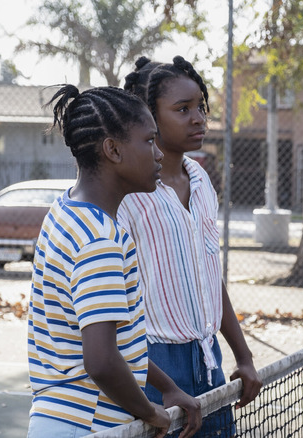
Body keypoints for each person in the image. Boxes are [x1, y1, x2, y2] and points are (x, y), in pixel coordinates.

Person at [27, 84, 202, 437]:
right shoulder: (101, 240)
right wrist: (150, 411)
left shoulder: (66, 211)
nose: (157, 154)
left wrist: (166, 385)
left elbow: (118, 343)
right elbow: (102, 361)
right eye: (149, 141)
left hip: (58, 421)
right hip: (86, 425)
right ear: (113, 150)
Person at [119, 56, 262, 436]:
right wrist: (161, 383)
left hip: (207, 356)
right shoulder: (127, 194)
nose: (198, 117)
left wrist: (243, 356)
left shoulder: (200, 179)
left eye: (199, 106)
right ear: (148, 116)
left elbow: (208, 275)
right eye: (182, 109)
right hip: (153, 363)